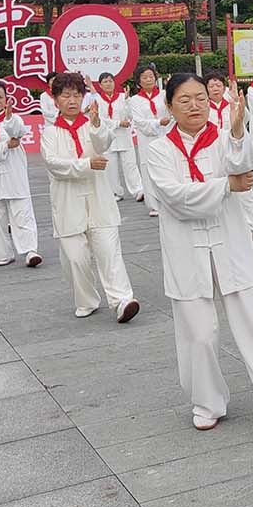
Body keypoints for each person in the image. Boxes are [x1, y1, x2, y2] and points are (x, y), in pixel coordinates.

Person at [144, 73, 253, 432]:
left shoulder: (225, 138)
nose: (195, 106)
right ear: (169, 106)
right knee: (198, 334)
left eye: (200, 98)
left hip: (230, 245)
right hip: (186, 251)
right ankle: (207, 401)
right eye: (184, 100)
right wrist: (226, 185)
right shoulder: (159, 149)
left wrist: (239, 130)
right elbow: (175, 197)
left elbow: (244, 169)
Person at [39, 72, 140, 323]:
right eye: (66, 96)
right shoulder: (50, 132)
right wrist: (86, 164)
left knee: (109, 251)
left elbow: (104, 143)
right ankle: (86, 300)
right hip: (68, 202)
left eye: (76, 95)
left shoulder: (93, 123)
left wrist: (95, 124)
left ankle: (122, 300)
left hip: (99, 199)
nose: (72, 100)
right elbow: (53, 164)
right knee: (76, 259)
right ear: (56, 100)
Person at [0, 80, 43, 268]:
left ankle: (30, 251)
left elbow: (18, 132)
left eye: (0, 97)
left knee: (22, 211)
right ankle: (3, 253)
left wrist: (9, 118)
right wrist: (4, 146)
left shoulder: (14, 118)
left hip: (14, 172)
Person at [205, 71, 253, 240]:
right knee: (218, 190)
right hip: (213, 153)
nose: (215, 88)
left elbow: (245, 120)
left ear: (224, 88)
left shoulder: (232, 103)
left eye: (218, 85)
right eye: (211, 86)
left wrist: (236, 101)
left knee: (245, 189)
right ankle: (224, 227)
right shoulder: (203, 107)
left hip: (234, 151)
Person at [94, 72, 144, 204]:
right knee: (111, 168)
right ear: (100, 85)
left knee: (130, 164)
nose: (108, 84)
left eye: (110, 81)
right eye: (105, 82)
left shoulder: (123, 97)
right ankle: (116, 192)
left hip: (124, 137)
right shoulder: (98, 100)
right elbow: (100, 119)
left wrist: (127, 100)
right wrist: (117, 123)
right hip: (108, 138)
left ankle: (138, 190)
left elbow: (130, 115)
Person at [128, 66, 170, 219]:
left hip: (165, 136)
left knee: (167, 167)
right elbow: (139, 121)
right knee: (148, 170)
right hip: (147, 139)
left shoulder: (164, 95)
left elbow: (171, 111)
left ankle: (168, 201)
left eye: (151, 76)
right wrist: (158, 122)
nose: (148, 80)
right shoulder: (134, 100)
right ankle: (153, 204)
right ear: (138, 81)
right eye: (144, 77)